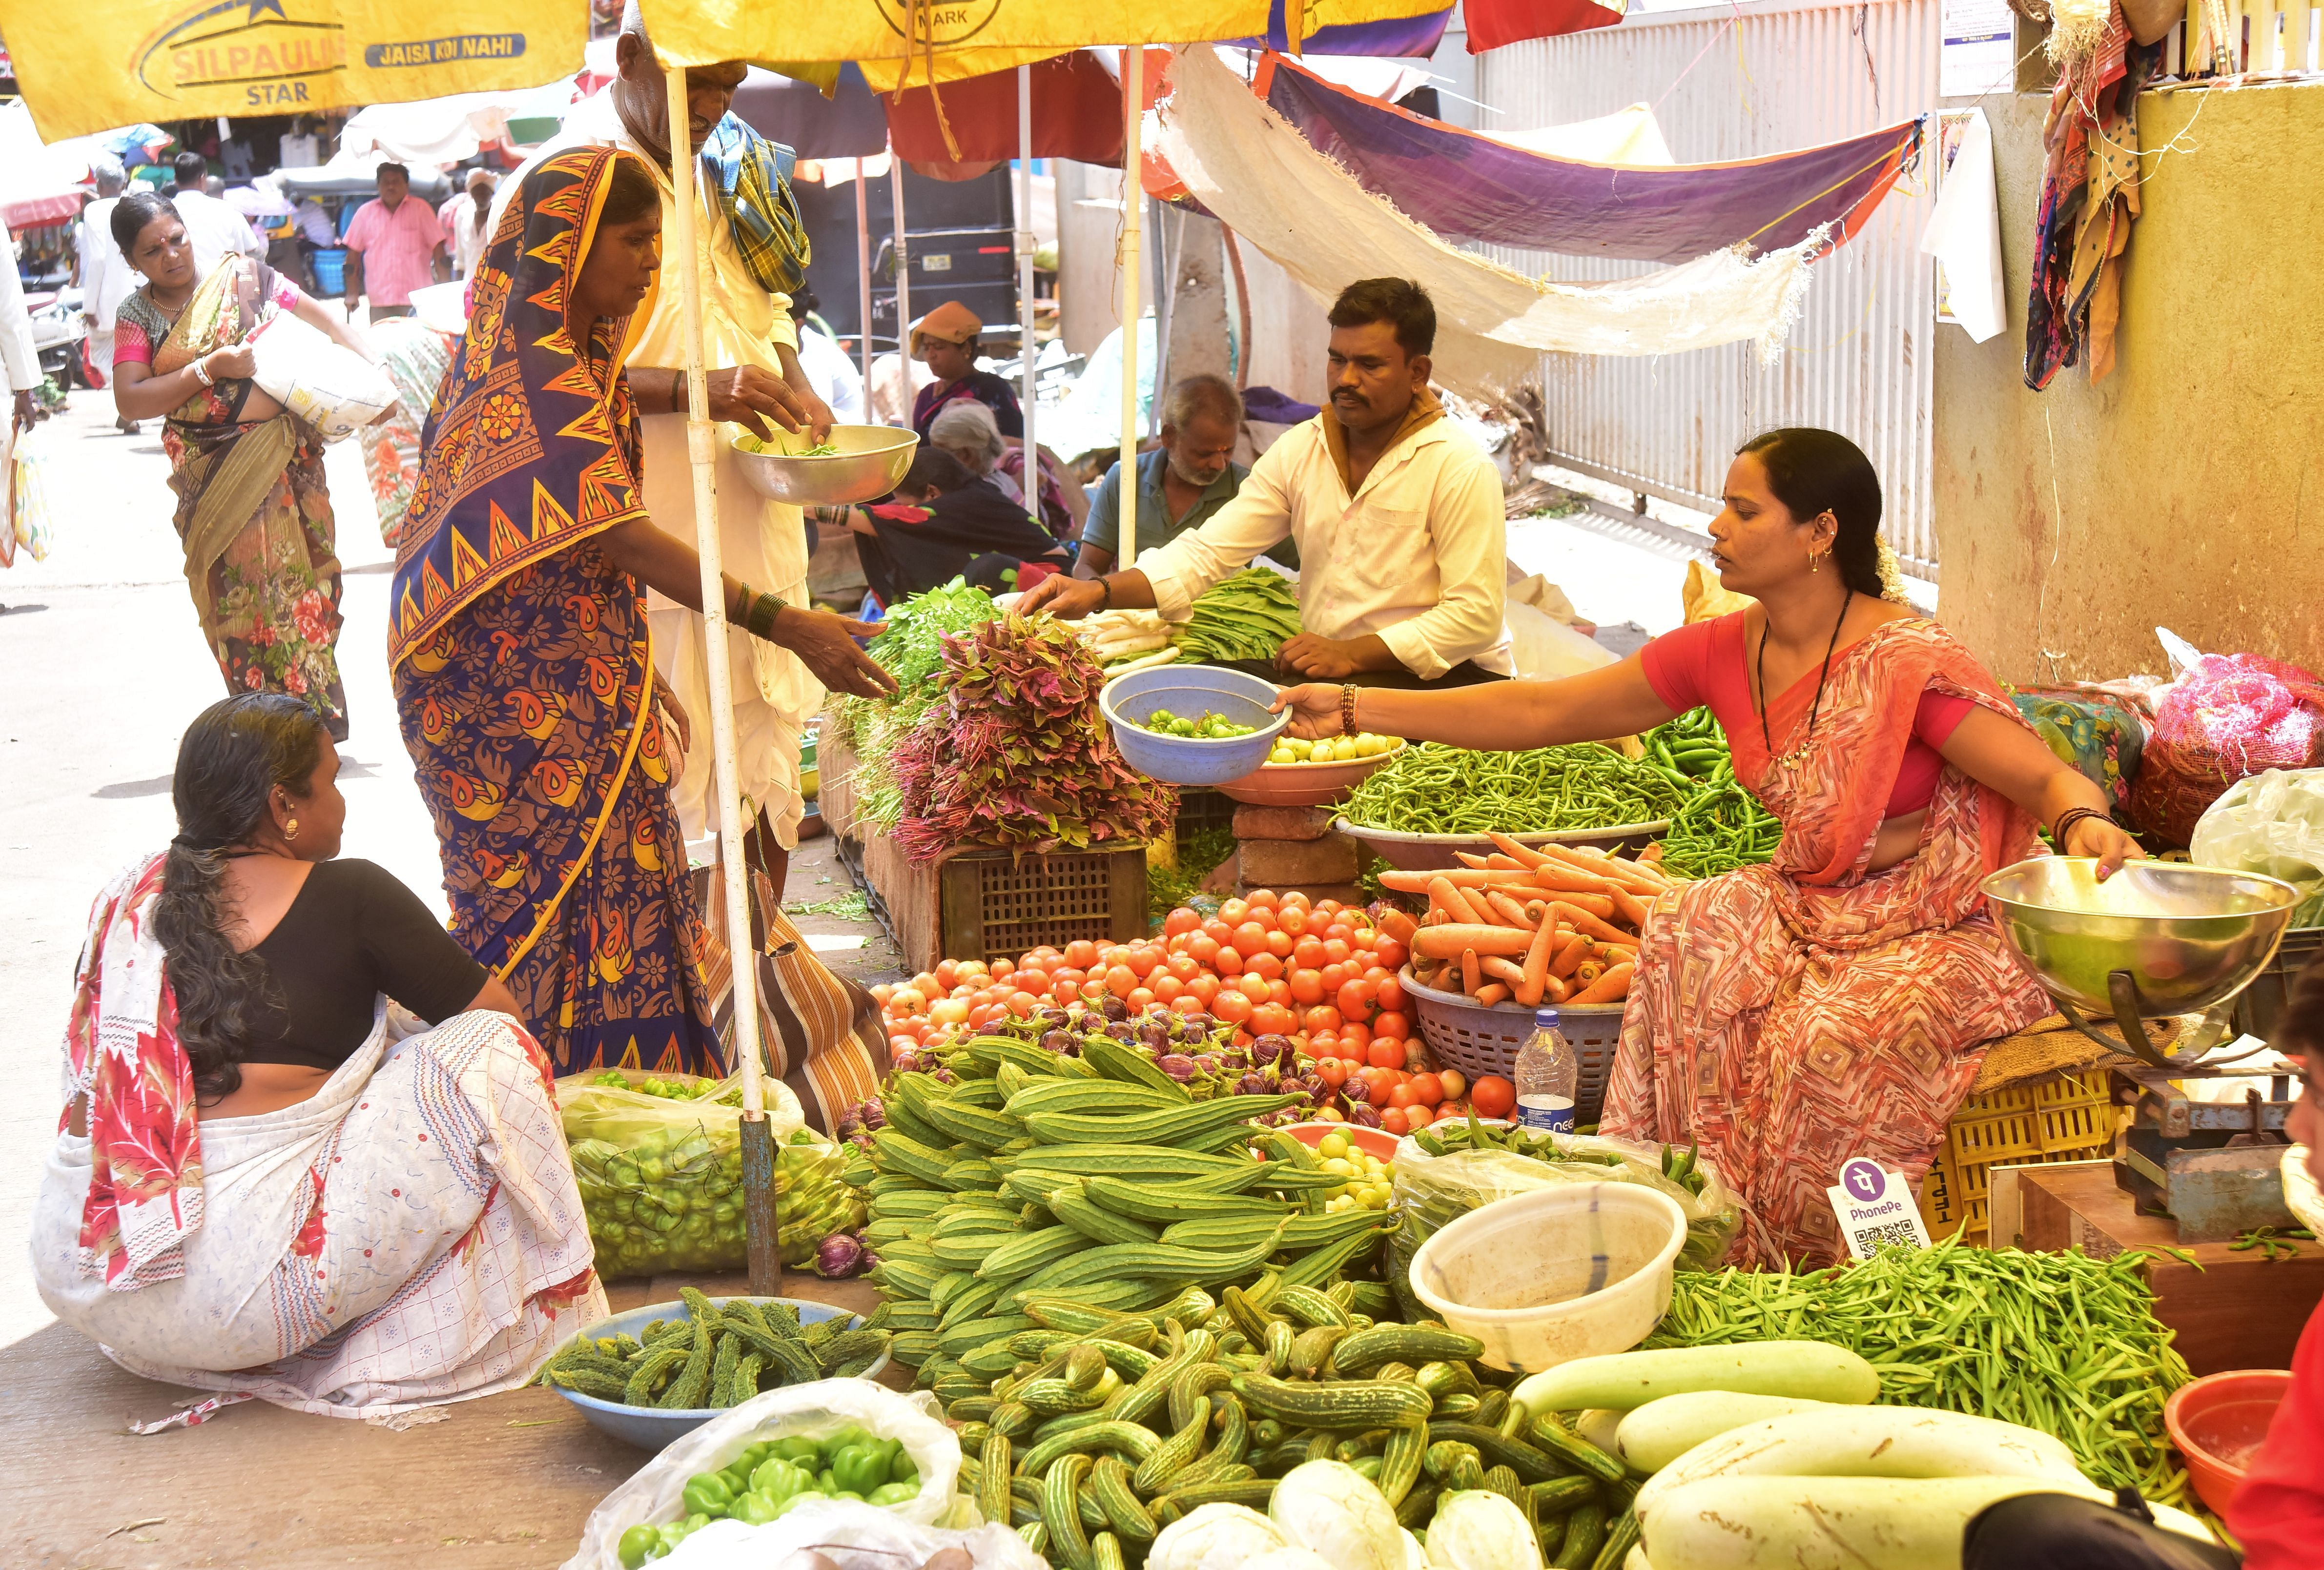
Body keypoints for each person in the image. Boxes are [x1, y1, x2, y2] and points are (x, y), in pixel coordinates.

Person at [1272, 427, 2143, 1266]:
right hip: (1818, 904)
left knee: (1823, 1036)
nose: (1715, 528)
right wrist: (1354, 706)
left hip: (1944, 921)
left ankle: (1838, 1259)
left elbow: (2039, 777)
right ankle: (1697, 1219)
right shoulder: (1726, 649)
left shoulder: (1903, 658)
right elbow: (1542, 712)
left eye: (1744, 510)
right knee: (1694, 925)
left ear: (1821, 532)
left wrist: (2084, 822)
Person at [391, 146, 893, 1078]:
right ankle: (532, 1100)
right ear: (565, 249)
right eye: (631, 242)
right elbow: (621, 536)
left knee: (623, 881)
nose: (652, 263)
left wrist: (627, 662)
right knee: (538, 907)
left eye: (659, 240)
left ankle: (621, 1096)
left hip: (569, 665)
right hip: (498, 697)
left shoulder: (580, 363)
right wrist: (789, 623)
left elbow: (571, 549)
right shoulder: (539, 377)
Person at [31, 694, 603, 1420]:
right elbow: (500, 1020)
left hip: (93, 1276)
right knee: (490, 1054)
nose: (342, 801)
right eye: (330, 780)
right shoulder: (353, 893)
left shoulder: (129, 899)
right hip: (240, 1297)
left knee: (399, 1038)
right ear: (283, 806)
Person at [500, 2, 879, 907]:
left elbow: (770, 298)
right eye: (695, 79)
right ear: (629, 57)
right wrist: (694, 388)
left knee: (763, 775)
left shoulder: (731, 162)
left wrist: (790, 376)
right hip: (639, 542)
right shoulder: (571, 180)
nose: (714, 100)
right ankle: (688, 1010)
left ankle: (761, 973)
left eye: (729, 80)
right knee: (657, 796)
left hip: (757, 526)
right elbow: (521, 374)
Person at [1019, 277, 1511, 688]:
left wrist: (1352, 655)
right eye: (1337, 359)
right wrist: (1099, 592)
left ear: (1417, 373)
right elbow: (1206, 552)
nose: (1346, 379)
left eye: (1370, 364)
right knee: (1186, 690)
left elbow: (1475, 615)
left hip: (1442, 682)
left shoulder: (1458, 466)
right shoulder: (1303, 448)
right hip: (1335, 677)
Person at [108, 192, 368, 741]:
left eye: (176, 239)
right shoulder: (137, 316)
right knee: (244, 598)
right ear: (133, 263)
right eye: (152, 251)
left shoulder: (245, 277)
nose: (171, 255)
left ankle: (313, 722)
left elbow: (319, 319)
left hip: (289, 463)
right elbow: (130, 400)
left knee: (308, 584)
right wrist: (208, 369)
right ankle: (268, 725)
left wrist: (369, 365)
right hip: (217, 475)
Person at [1073, 373, 1255, 577]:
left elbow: (1297, 555)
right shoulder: (1125, 479)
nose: (1219, 464)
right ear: (1169, 437)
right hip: (1134, 609)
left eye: (1228, 451)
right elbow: (1087, 566)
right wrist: (1105, 597)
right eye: (1204, 453)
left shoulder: (1248, 491)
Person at [841, 448, 1071, 607]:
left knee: (988, 569)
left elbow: (903, 521)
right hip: (1035, 582)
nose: (901, 508)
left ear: (932, 492)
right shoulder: (967, 498)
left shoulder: (971, 501)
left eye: (906, 504)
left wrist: (818, 508)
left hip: (1053, 582)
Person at [75, 161, 140, 432]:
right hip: (136, 291)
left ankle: (129, 409)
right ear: (122, 184)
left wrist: (89, 305)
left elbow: (98, 259)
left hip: (106, 298)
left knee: (103, 356)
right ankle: (130, 408)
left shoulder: (94, 210)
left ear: (99, 185)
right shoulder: (133, 206)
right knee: (131, 356)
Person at [342, 162, 447, 322]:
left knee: (416, 345)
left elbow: (440, 254)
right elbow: (352, 258)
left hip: (417, 299)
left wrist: (445, 292)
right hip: (380, 301)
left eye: (396, 182)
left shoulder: (421, 210)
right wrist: (351, 293)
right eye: (386, 182)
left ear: (407, 185)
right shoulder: (365, 213)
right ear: (378, 186)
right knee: (381, 346)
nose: (391, 187)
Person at [909, 300, 1023, 438]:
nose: (931, 355)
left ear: (966, 349)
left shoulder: (993, 390)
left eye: (939, 347)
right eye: (926, 348)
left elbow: (1012, 444)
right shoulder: (926, 395)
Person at [165, 151, 265, 283]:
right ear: (203, 178)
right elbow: (253, 250)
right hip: (227, 292)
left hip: (182, 292)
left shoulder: (165, 213)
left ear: (176, 180)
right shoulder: (227, 209)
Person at [789, 289, 865, 424]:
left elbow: (814, 415)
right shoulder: (803, 342)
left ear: (797, 324)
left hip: (845, 435)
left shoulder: (814, 353)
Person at [444, 168, 497, 280]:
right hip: (469, 280)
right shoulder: (463, 213)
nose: (481, 196)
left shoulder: (499, 214)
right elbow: (460, 257)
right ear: (471, 193)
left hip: (494, 281)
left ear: (491, 192)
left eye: (484, 192)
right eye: (477, 192)